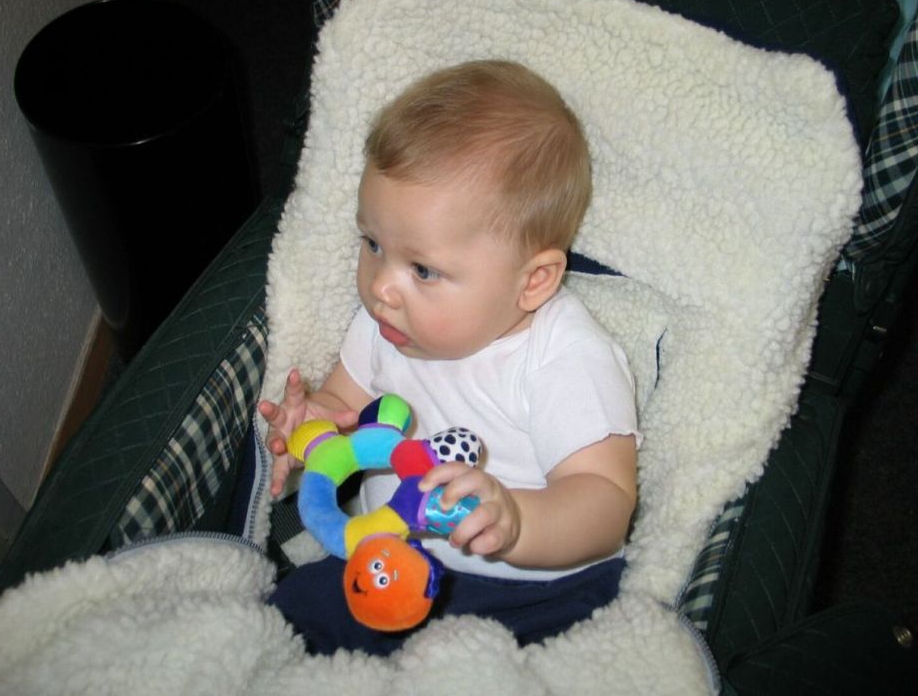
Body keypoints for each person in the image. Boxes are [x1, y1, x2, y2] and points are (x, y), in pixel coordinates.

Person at [259, 59, 640, 654]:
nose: (381, 286)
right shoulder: (386, 323)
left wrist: (516, 520)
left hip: (530, 590)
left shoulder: (566, 356)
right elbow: (343, 408)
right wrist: (311, 423)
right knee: (285, 622)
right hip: (386, 561)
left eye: (423, 269)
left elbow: (604, 501)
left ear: (533, 281)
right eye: (373, 243)